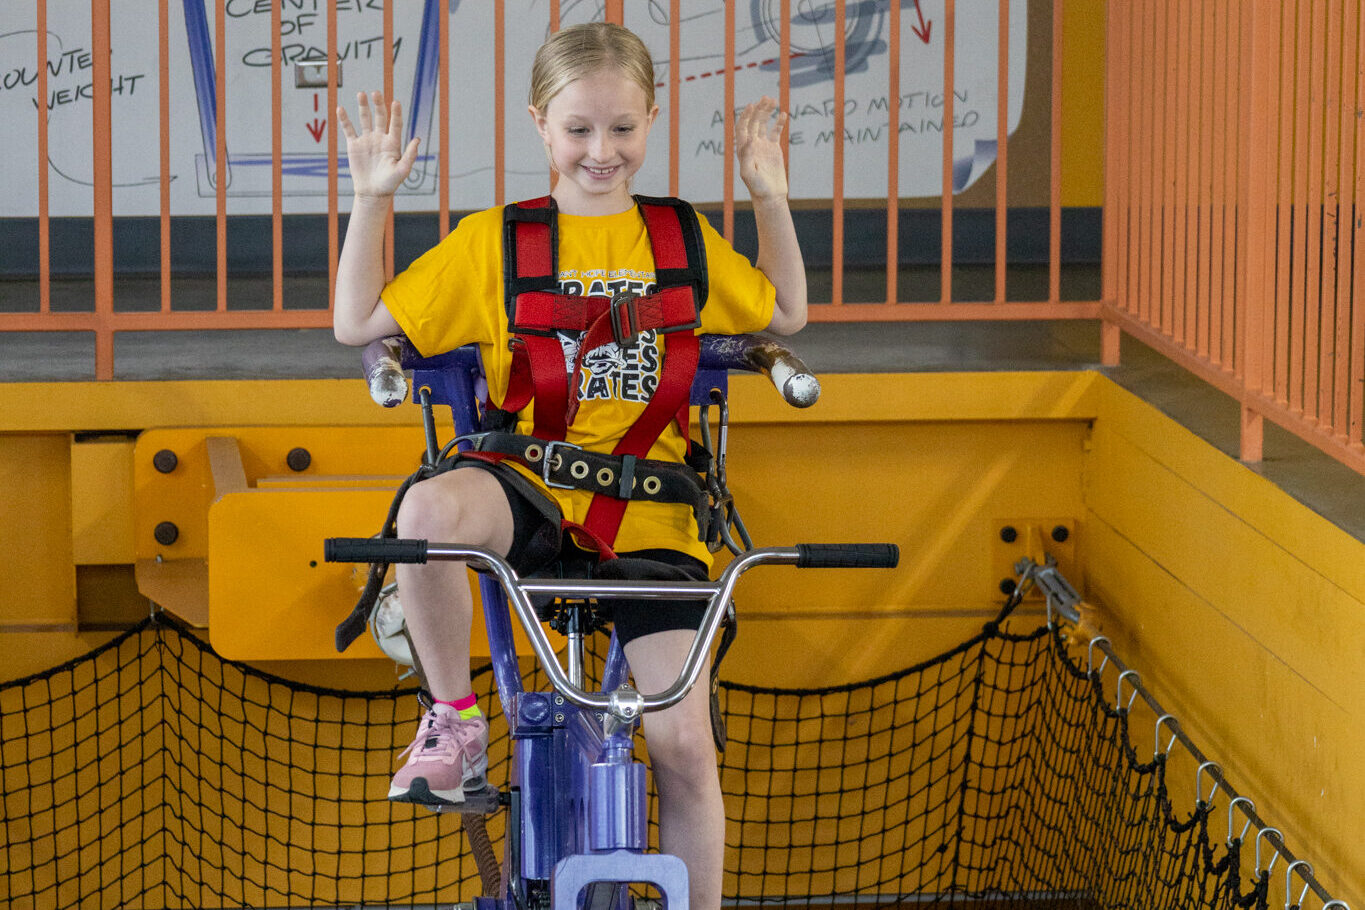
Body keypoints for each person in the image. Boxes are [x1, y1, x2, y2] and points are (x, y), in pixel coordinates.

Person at [332, 21, 806, 910]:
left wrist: (767, 195)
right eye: (579, 129)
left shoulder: (680, 238)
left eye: (622, 129)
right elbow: (358, 323)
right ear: (541, 126)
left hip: (652, 516)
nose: (602, 150)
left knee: (682, 749)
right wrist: (371, 198)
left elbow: (784, 313)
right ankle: (454, 719)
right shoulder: (497, 243)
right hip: (530, 491)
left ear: (651, 122)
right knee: (427, 512)